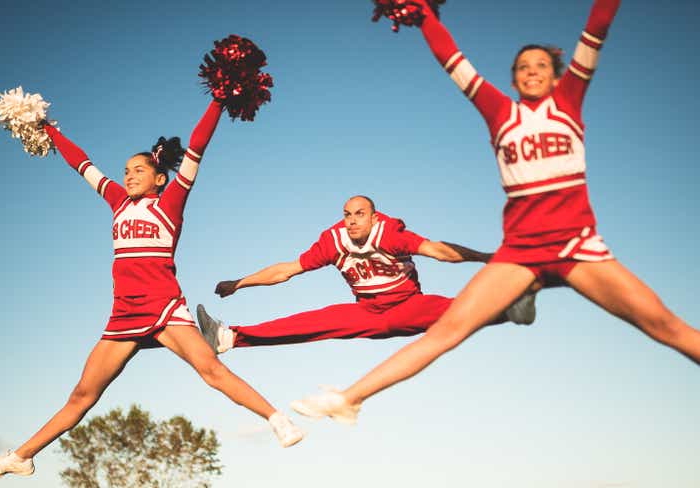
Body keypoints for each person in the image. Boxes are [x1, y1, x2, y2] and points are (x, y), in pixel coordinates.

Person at [290, 0, 700, 424]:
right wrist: (421, 12)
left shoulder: (568, 105)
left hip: (578, 248)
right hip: (520, 254)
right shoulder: (500, 113)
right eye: (523, 67)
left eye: (541, 65)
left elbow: (597, 25)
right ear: (513, 78)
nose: (532, 71)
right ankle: (350, 399)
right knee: (449, 330)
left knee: (664, 326)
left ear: (558, 74)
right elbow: (452, 60)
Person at [0, 101, 302, 481]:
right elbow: (81, 163)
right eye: (126, 171)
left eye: (139, 171)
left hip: (164, 309)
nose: (129, 177)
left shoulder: (170, 205)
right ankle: (22, 456)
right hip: (124, 315)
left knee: (210, 370)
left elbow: (197, 146)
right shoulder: (116, 202)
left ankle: (276, 418)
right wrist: (49, 129)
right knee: (82, 396)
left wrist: (218, 99)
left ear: (159, 177)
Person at [196, 195, 536, 355]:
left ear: (374, 217)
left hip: (407, 305)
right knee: (311, 321)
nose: (352, 220)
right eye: (347, 215)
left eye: (360, 214)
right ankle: (228, 338)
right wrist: (239, 283)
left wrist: (489, 258)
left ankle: (511, 307)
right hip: (368, 311)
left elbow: (439, 251)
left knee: (455, 308)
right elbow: (285, 271)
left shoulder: (390, 233)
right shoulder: (333, 240)